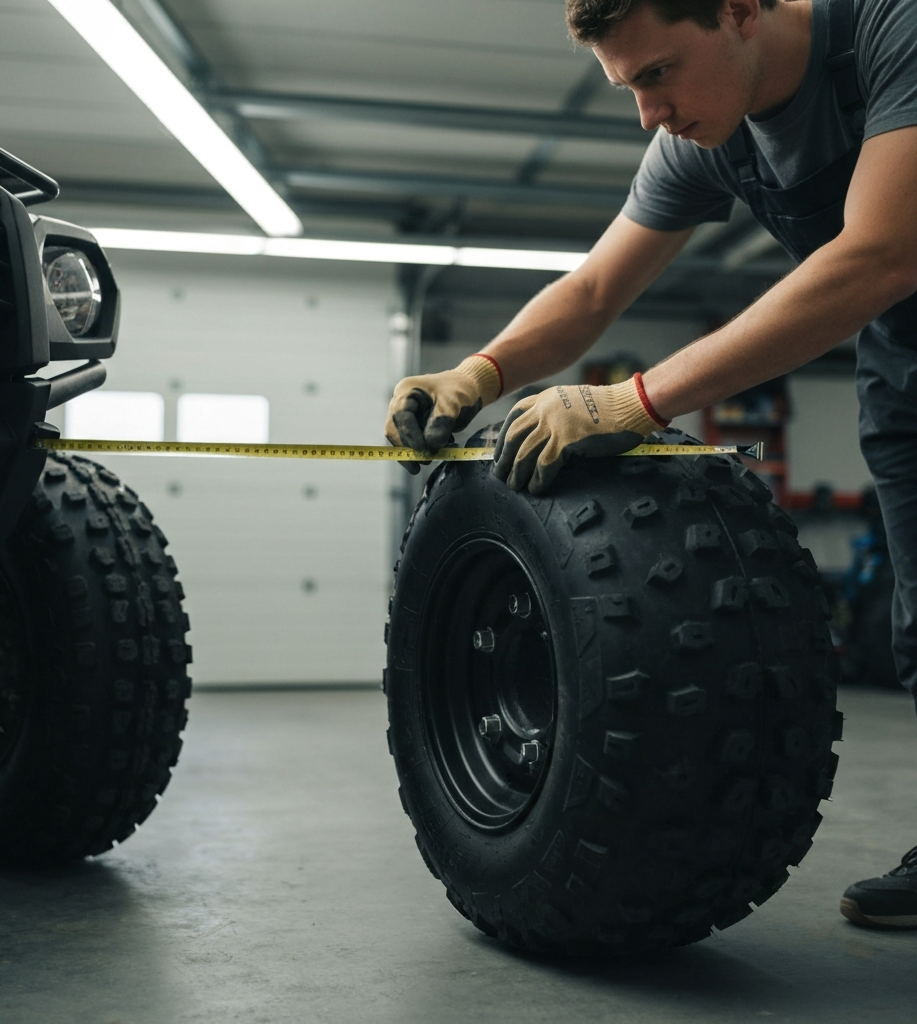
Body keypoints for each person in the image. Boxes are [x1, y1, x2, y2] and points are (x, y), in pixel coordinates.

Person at [384, 0, 917, 929]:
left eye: (659, 73)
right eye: (628, 87)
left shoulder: (890, 29)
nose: (648, 113)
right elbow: (594, 288)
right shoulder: (705, 137)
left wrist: (631, 403)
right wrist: (482, 369)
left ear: (742, 12)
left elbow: (881, 253)